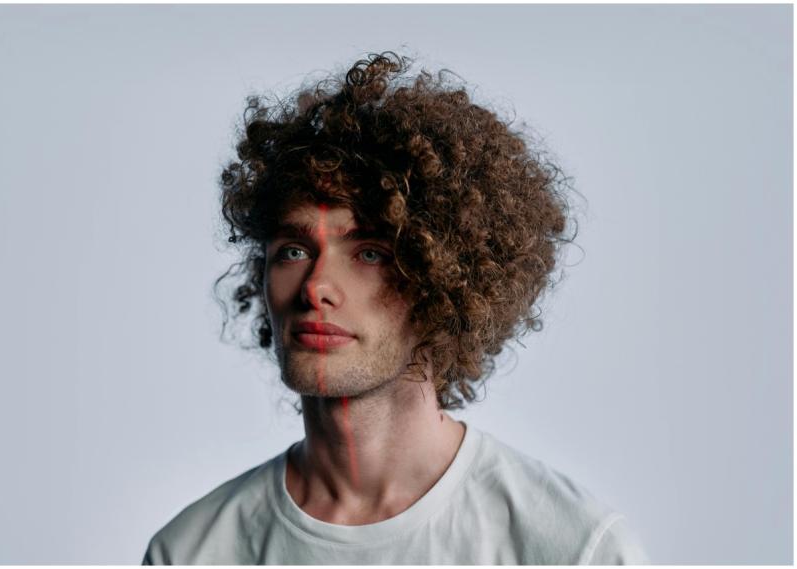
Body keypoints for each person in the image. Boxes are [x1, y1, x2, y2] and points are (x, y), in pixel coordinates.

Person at [142, 52, 650, 565]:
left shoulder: (572, 548)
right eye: (294, 252)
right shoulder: (191, 551)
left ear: (445, 281)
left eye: (369, 254)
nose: (316, 287)